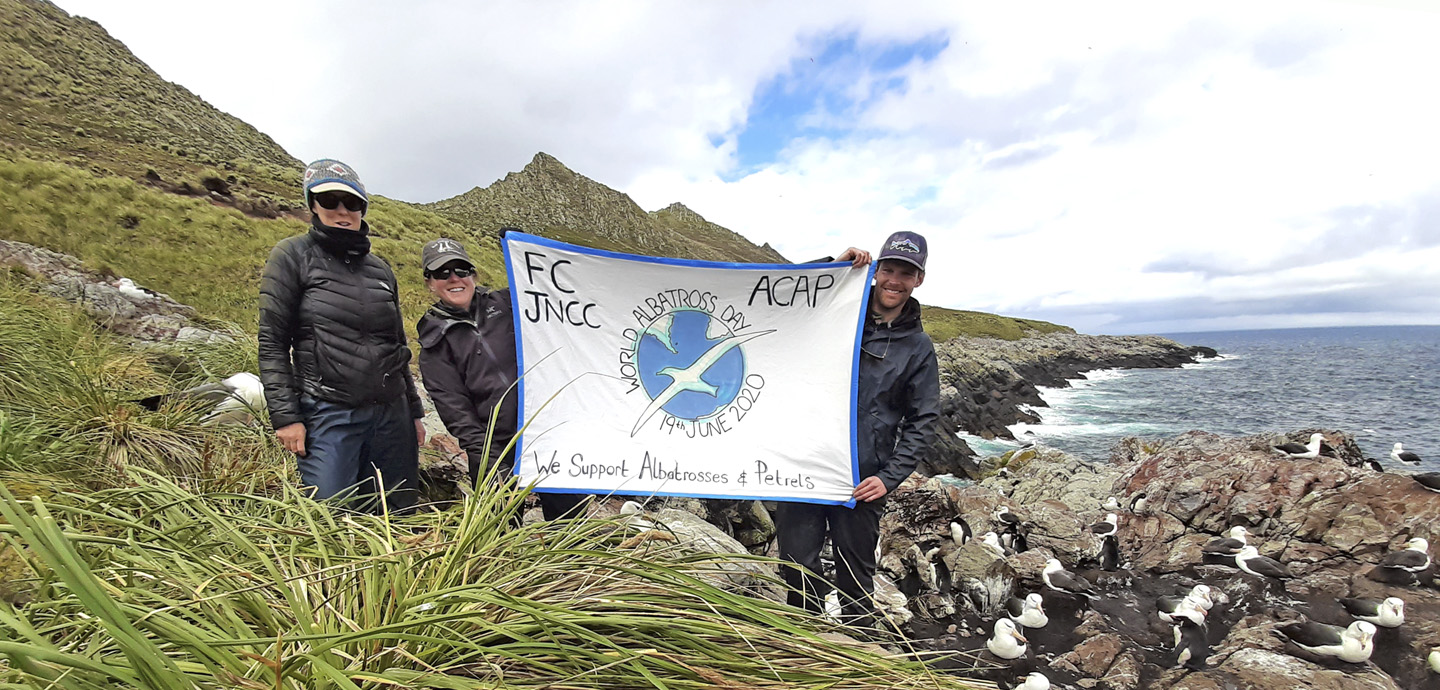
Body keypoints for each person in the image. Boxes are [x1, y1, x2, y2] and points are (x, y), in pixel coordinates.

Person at [775, 230, 941, 628]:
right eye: (888, 269)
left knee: (856, 576)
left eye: (906, 273)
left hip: (863, 480)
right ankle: (805, 642)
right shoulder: (837, 314)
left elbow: (923, 419)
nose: (894, 281)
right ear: (875, 271)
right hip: (806, 464)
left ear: (919, 279)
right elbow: (780, 299)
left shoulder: (918, 347)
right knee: (797, 565)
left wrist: (888, 478)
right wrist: (829, 268)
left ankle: (858, 654)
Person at [258, 159, 425, 512]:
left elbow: (397, 345)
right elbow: (272, 343)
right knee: (332, 513)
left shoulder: (380, 269)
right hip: (329, 411)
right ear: (313, 206)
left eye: (352, 203)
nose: (342, 211)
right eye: (330, 201)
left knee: (399, 509)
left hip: (391, 414)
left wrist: (413, 412)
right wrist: (286, 417)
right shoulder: (291, 257)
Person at [415, 235, 589, 521]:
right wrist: (489, 458)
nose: (454, 278)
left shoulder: (510, 303)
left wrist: (527, 249)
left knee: (570, 524)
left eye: (461, 270)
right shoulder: (435, 342)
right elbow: (454, 409)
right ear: (429, 282)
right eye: (441, 273)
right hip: (491, 447)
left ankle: (571, 565)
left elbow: (555, 291)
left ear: (473, 274)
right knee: (499, 531)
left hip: (545, 433)